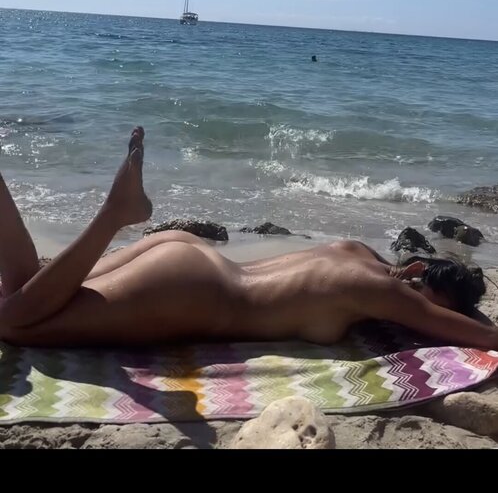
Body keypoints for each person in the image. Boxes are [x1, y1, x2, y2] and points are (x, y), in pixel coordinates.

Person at [0, 127, 497, 351]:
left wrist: (457, 295)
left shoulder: (356, 252)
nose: (420, 319)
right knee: (15, 324)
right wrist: (458, 315)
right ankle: (115, 215)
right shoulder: (389, 290)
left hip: (191, 258)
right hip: (188, 291)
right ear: (415, 274)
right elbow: (482, 336)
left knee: (27, 290)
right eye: (432, 304)